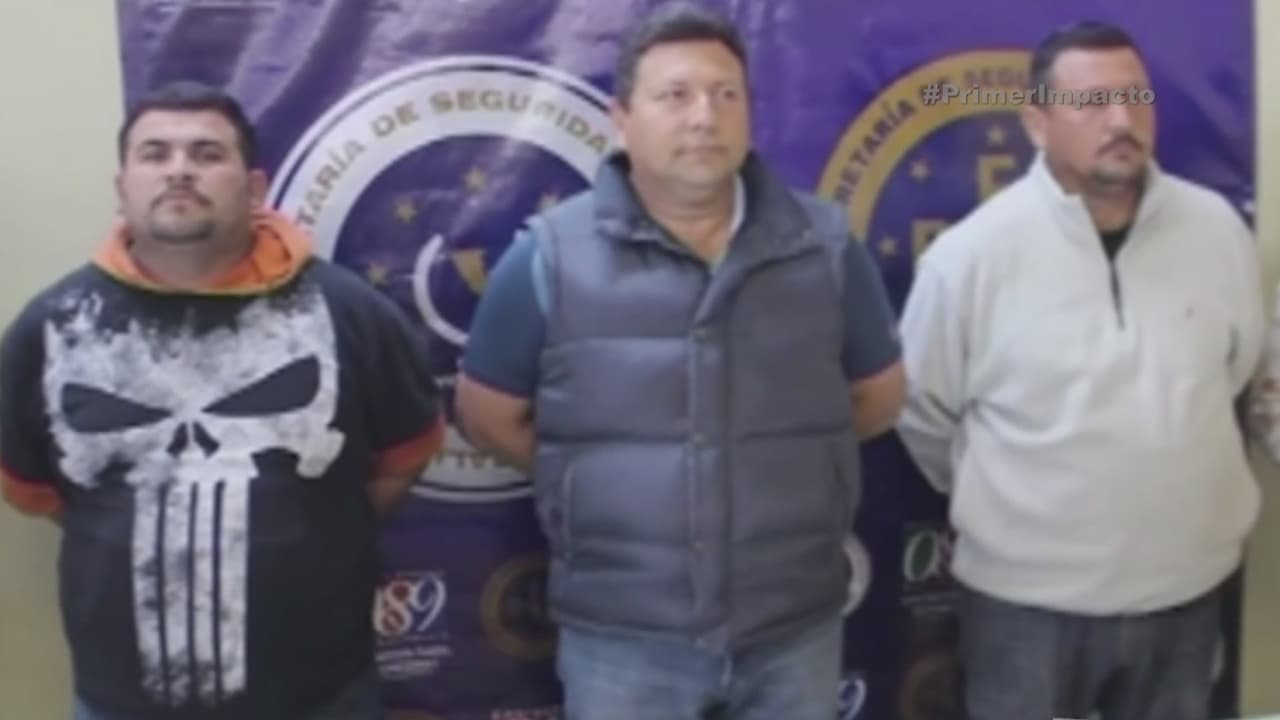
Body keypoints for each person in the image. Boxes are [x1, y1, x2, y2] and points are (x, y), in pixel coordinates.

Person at [453, 3, 904, 718]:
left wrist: (782, 462)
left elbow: (878, 398)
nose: (704, 117)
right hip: (623, 641)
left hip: (793, 629)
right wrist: (592, 477)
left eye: (726, 95)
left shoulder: (824, 248)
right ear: (622, 120)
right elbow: (488, 416)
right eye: (675, 95)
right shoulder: (549, 257)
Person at [0, 80, 444, 719]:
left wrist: (320, 525)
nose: (179, 170)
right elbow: (34, 488)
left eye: (206, 154)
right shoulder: (51, 327)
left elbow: (406, 455)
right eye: (155, 153)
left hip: (320, 696)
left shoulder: (351, 314)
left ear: (254, 187)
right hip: (119, 703)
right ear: (122, 186)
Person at [895, 20, 1266, 720]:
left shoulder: (1217, 230)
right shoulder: (970, 258)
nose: (1121, 120)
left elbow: (1237, 368)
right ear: (1036, 122)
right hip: (1024, 613)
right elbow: (923, 414)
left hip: (1185, 599)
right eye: (1092, 101)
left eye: (1136, 96)